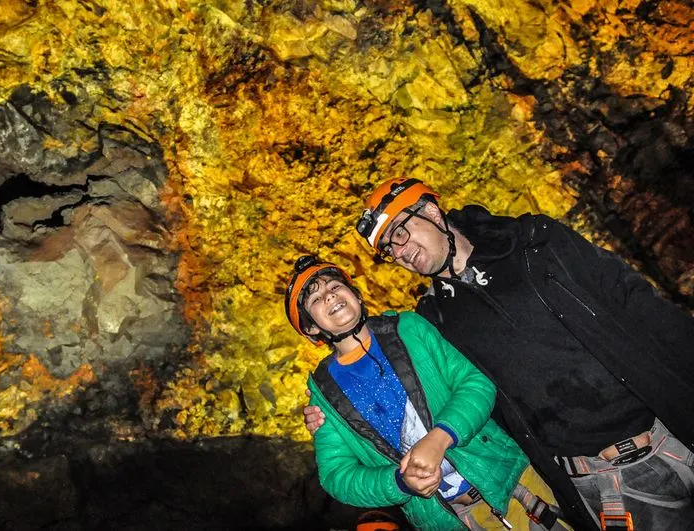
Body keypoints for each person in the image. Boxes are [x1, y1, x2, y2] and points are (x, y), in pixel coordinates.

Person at [304, 177, 694, 531]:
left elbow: (637, 302)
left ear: (431, 210)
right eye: (390, 248)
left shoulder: (534, 243)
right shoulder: (433, 321)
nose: (401, 252)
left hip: (671, 429)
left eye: (401, 233)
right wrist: (331, 416)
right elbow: (441, 388)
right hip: (605, 482)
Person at [286, 255, 567, 530]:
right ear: (311, 328)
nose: (330, 296)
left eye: (335, 287)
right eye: (315, 299)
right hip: (447, 520)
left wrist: (440, 437)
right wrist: (397, 482)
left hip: (508, 478)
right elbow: (337, 476)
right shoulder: (324, 394)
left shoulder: (410, 328)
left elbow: (475, 382)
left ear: (356, 296)